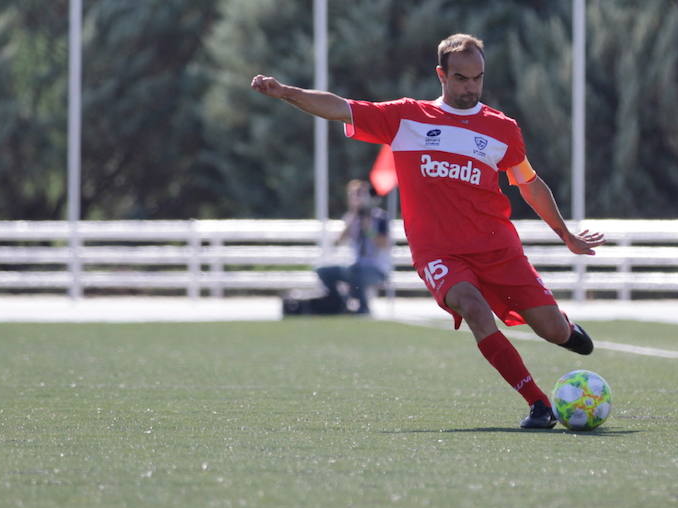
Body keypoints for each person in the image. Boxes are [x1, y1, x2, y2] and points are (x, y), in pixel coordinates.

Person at [251, 33, 604, 428]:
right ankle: (538, 403)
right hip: (439, 253)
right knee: (472, 306)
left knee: (550, 329)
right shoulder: (408, 118)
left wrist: (564, 233)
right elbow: (341, 108)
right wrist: (286, 93)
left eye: (477, 78)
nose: (470, 87)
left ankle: (564, 329)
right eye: (460, 79)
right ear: (441, 75)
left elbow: (529, 182)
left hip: (497, 248)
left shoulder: (501, 128)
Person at [315, 179, 391, 315]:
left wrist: (368, 229)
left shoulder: (379, 217)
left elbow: (383, 244)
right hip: (353, 266)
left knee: (356, 272)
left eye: (360, 194)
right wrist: (353, 217)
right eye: (353, 195)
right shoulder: (350, 217)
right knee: (323, 271)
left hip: (376, 269)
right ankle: (340, 304)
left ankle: (363, 308)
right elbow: (339, 241)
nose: (357, 198)